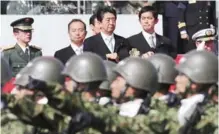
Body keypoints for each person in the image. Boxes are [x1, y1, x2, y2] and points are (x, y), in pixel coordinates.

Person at [175, 50, 218, 133]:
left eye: (182, 75)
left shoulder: (208, 114)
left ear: (195, 83)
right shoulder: (185, 105)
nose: (176, 79)